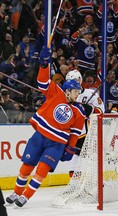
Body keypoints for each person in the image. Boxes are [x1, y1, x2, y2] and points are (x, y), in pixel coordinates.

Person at [5, 46, 85, 207]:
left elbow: (75, 133)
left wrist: (70, 148)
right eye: (76, 91)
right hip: (40, 136)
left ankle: (25, 196)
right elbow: (42, 82)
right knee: (27, 166)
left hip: (56, 144)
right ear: (68, 90)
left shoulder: (79, 110)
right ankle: (16, 192)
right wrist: (44, 65)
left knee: (42, 169)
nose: (78, 94)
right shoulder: (56, 92)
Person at [65, 69, 105, 177]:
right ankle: (74, 184)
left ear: (79, 80)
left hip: (86, 132)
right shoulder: (64, 95)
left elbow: (101, 111)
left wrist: (89, 109)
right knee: (73, 156)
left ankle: (93, 181)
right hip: (70, 131)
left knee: (89, 157)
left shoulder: (91, 93)